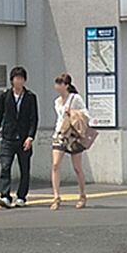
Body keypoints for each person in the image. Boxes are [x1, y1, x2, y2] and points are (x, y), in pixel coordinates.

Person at [0, 66, 38, 209]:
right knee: (5, 166)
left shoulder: (30, 97)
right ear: (12, 80)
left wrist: (30, 137)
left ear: (24, 80)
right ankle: (5, 196)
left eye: (21, 78)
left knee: (25, 169)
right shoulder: (5, 96)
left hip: (24, 138)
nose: (19, 81)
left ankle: (22, 196)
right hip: (8, 137)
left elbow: (34, 118)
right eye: (16, 78)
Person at [50, 73, 90, 211]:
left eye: (60, 83)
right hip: (60, 132)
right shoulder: (57, 101)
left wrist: (72, 112)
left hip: (73, 134)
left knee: (77, 168)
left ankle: (82, 195)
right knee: (55, 164)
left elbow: (86, 114)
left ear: (66, 85)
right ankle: (56, 196)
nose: (57, 86)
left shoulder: (75, 98)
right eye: (56, 83)